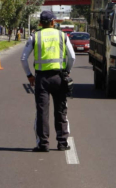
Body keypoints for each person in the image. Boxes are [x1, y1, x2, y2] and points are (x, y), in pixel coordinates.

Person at [21, 11, 76, 152]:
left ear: (40, 23)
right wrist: (67, 71)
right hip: (59, 78)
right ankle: (62, 143)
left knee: (42, 112)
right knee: (61, 111)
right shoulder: (62, 35)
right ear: (53, 22)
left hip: (41, 79)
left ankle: (43, 144)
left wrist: (29, 76)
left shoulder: (35, 36)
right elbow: (72, 57)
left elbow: (23, 58)